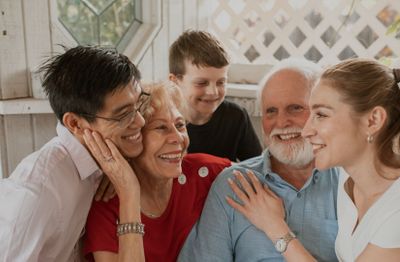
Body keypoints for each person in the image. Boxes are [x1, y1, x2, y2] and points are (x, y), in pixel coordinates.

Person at [226, 58, 400, 261]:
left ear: (373, 120)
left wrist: (275, 228)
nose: (306, 130)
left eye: (322, 115)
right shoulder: (351, 181)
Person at [178, 59, 341, 261]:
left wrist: (276, 228)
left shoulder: (348, 183)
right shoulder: (232, 185)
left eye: (295, 108)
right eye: (271, 111)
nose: (281, 122)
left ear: (322, 112)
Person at [0, 45, 146, 261]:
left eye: (139, 104)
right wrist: (129, 190)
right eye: (123, 114)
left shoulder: (102, 159)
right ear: (75, 124)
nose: (140, 121)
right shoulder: (38, 193)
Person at [82, 82, 232, 261]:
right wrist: (130, 195)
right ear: (133, 138)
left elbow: (263, 172)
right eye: (161, 127)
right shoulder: (106, 205)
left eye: (180, 125)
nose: (178, 138)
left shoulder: (206, 173)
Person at [169, 30, 262, 161]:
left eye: (221, 82)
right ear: (175, 81)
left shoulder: (236, 117)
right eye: (201, 83)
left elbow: (257, 167)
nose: (213, 92)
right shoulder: (163, 121)